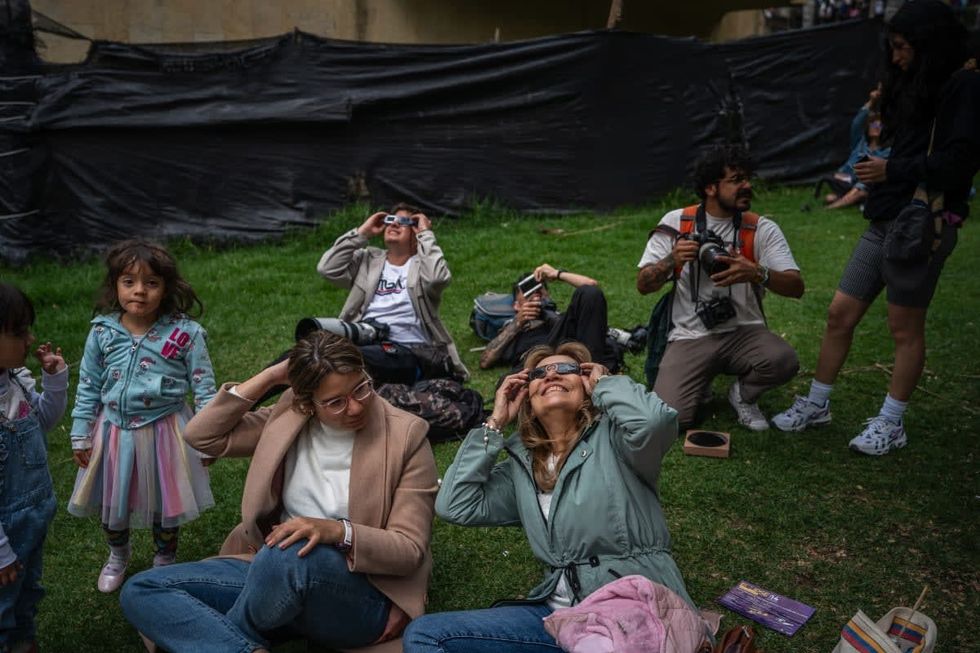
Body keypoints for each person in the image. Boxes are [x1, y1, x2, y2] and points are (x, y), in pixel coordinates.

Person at [121, 331, 438, 653]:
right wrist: (272, 376)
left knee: (288, 552)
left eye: (361, 388)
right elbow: (202, 436)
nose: (355, 407)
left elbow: (409, 548)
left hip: (358, 590)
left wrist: (335, 531)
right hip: (271, 573)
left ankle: (227, 636)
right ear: (307, 401)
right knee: (142, 588)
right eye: (335, 402)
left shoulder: (406, 436)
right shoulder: (291, 413)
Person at [773, 0, 979, 455]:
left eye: (903, 47)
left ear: (928, 46)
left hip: (925, 222)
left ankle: (891, 422)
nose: (897, 56)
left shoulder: (964, 86)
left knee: (904, 328)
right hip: (886, 218)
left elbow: (961, 162)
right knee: (839, 314)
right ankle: (818, 403)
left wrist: (892, 171)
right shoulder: (913, 84)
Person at [403, 341, 695, 653]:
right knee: (425, 635)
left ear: (587, 385)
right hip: (560, 619)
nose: (552, 375)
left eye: (567, 369)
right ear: (527, 395)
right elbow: (455, 505)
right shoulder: (523, 466)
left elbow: (654, 422)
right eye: (539, 373)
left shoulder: (620, 442)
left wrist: (607, 384)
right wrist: (495, 423)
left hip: (634, 613)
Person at [67, 239, 217, 593]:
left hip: (166, 431)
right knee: (111, 500)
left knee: (166, 502)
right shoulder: (102, 332)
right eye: (129, 281)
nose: (139, 291)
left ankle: (164, 560)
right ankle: (118, 554)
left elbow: (205, 387)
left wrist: (210, 438)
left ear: (166, 288)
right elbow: (88, 385)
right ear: (115, 285)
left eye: (151, 282)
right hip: (113, 432)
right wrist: (80, 433)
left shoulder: (186, 334)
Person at [636, 144, 804, 431]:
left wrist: (756, 272)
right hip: (690, 335)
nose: (747, 186)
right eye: (737, 180)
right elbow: (643, 284)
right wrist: (671, 260)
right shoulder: (677, 222)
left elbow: (796, 287)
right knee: (672, 420)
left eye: (748, 178)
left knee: (783, 360)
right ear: (711, 188)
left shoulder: (760, 228)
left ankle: (743, 395)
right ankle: (697, 383)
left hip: (744, 331)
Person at [316, 203, 468, 385]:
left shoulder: (422, 266)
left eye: (403, 222)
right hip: (365, 339)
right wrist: (362, 233)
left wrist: (426, 235)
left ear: (415, 231)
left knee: (341, 359)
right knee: (308, 353)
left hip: (408, 351)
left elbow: (437, 279)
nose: (394, 225)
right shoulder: (368, 260)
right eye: (390, 220)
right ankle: (271, 380)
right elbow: (327, 268)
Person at [0, 284, 67, 653]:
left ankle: (24, 643)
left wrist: (54, 382)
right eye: (19, 331)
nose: (31, 337)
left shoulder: (15, 381)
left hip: (32, 521)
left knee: (27, 593)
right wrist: (1, 552)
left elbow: (43, 419)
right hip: (4, 536)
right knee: (2, 605)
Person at [479, 264, 621, 372]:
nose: (535, 293)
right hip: (540, 361)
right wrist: (518, 322)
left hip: (577, 355)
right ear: (516, 305)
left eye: (539, 289)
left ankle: (592, 373)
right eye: (528, 294)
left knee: (589, 294)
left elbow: (591, 287)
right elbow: (485, 361)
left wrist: (557, 274)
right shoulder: (514, 326)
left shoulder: (563, 319)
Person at [818, 86, 892, 209]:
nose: (876, 126)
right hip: (847, 180)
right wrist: (871, 101)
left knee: (860, 188)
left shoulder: (886, 151)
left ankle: (830, 208)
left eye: (880, 125)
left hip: (864, 183)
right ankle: (854, 200)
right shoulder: (859, 142)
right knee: (829, 197)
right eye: (873, 123)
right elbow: (857, 122)